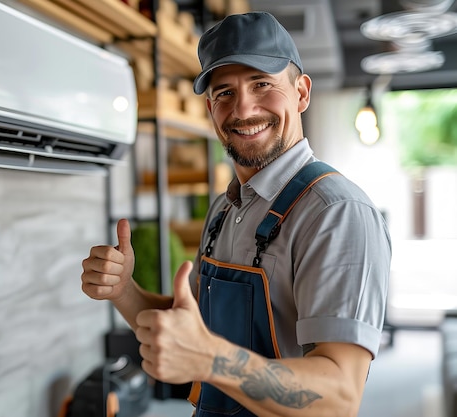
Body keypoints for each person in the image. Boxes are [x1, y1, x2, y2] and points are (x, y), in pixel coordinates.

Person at [81, 11, 391, 417]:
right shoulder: (226, 208)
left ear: (301, 92)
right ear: (211, 108)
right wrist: (125, 290)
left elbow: (339, 398)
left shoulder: (336, 213)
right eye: (224, 92)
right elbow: (189, 334)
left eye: (262, 84)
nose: (243, 109)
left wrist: (210, 358)